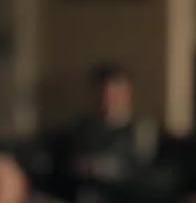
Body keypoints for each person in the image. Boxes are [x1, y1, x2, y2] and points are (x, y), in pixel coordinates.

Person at [61, 63, 158, 195]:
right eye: (102, 92)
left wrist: (99, 167)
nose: (108, 99)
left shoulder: (142, 127)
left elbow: (142, 166)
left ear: (127, 93)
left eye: (115, 93)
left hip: (127, 193)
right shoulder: (81, 125)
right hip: (84, 191)